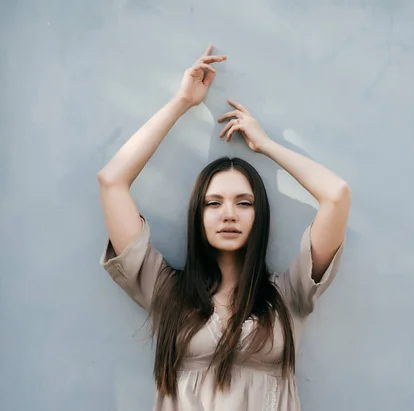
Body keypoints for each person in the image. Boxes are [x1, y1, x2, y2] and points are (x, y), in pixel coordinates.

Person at [97, 45, 351, 411]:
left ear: (258, 216)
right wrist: (182, 102)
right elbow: (112, 180)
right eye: (213, 203)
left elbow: (337, 196)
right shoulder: (165, 291)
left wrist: (266, 146)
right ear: (197, 217)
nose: (228, 214)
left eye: (243, 203)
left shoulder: (288, 295)